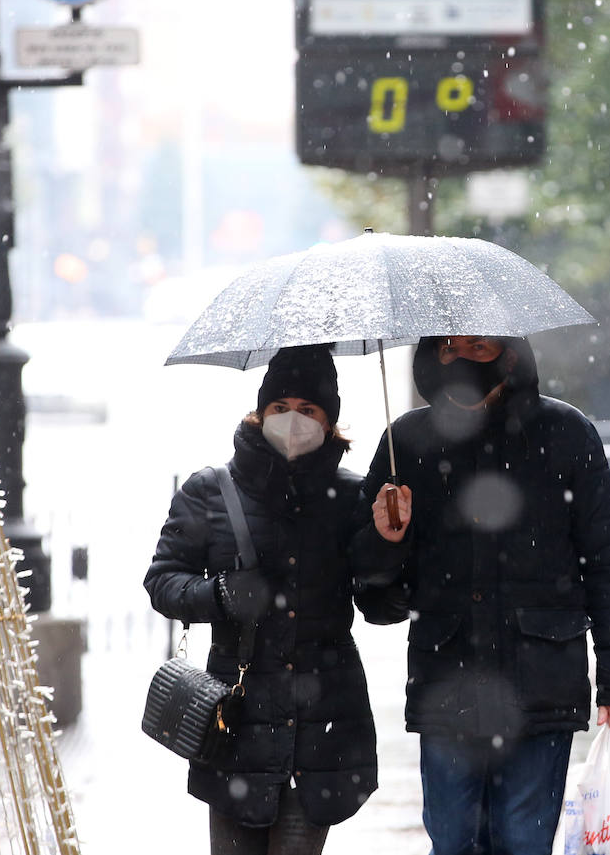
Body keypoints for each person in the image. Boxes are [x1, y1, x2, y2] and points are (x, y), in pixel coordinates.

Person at [351, 334, 610, 855]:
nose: (462, 358)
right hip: (447, 684)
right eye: (449, 348)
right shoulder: (407, 442)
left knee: (522, 840)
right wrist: (386, 541)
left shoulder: (567, 433)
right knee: (453, 840)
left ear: (509, 354)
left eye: (479, 346)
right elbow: (376, 600)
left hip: (542, 682)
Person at [144, 344, 410, 855]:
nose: (293, 421)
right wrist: (220, 595)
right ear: (259, 412)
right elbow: (163, 582)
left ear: (329, 422)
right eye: (280, 407)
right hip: (236, 722)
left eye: (308, 411)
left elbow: (384, 605)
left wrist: (388, 541)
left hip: (323, 723)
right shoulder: (210, 491)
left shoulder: (355, 496)